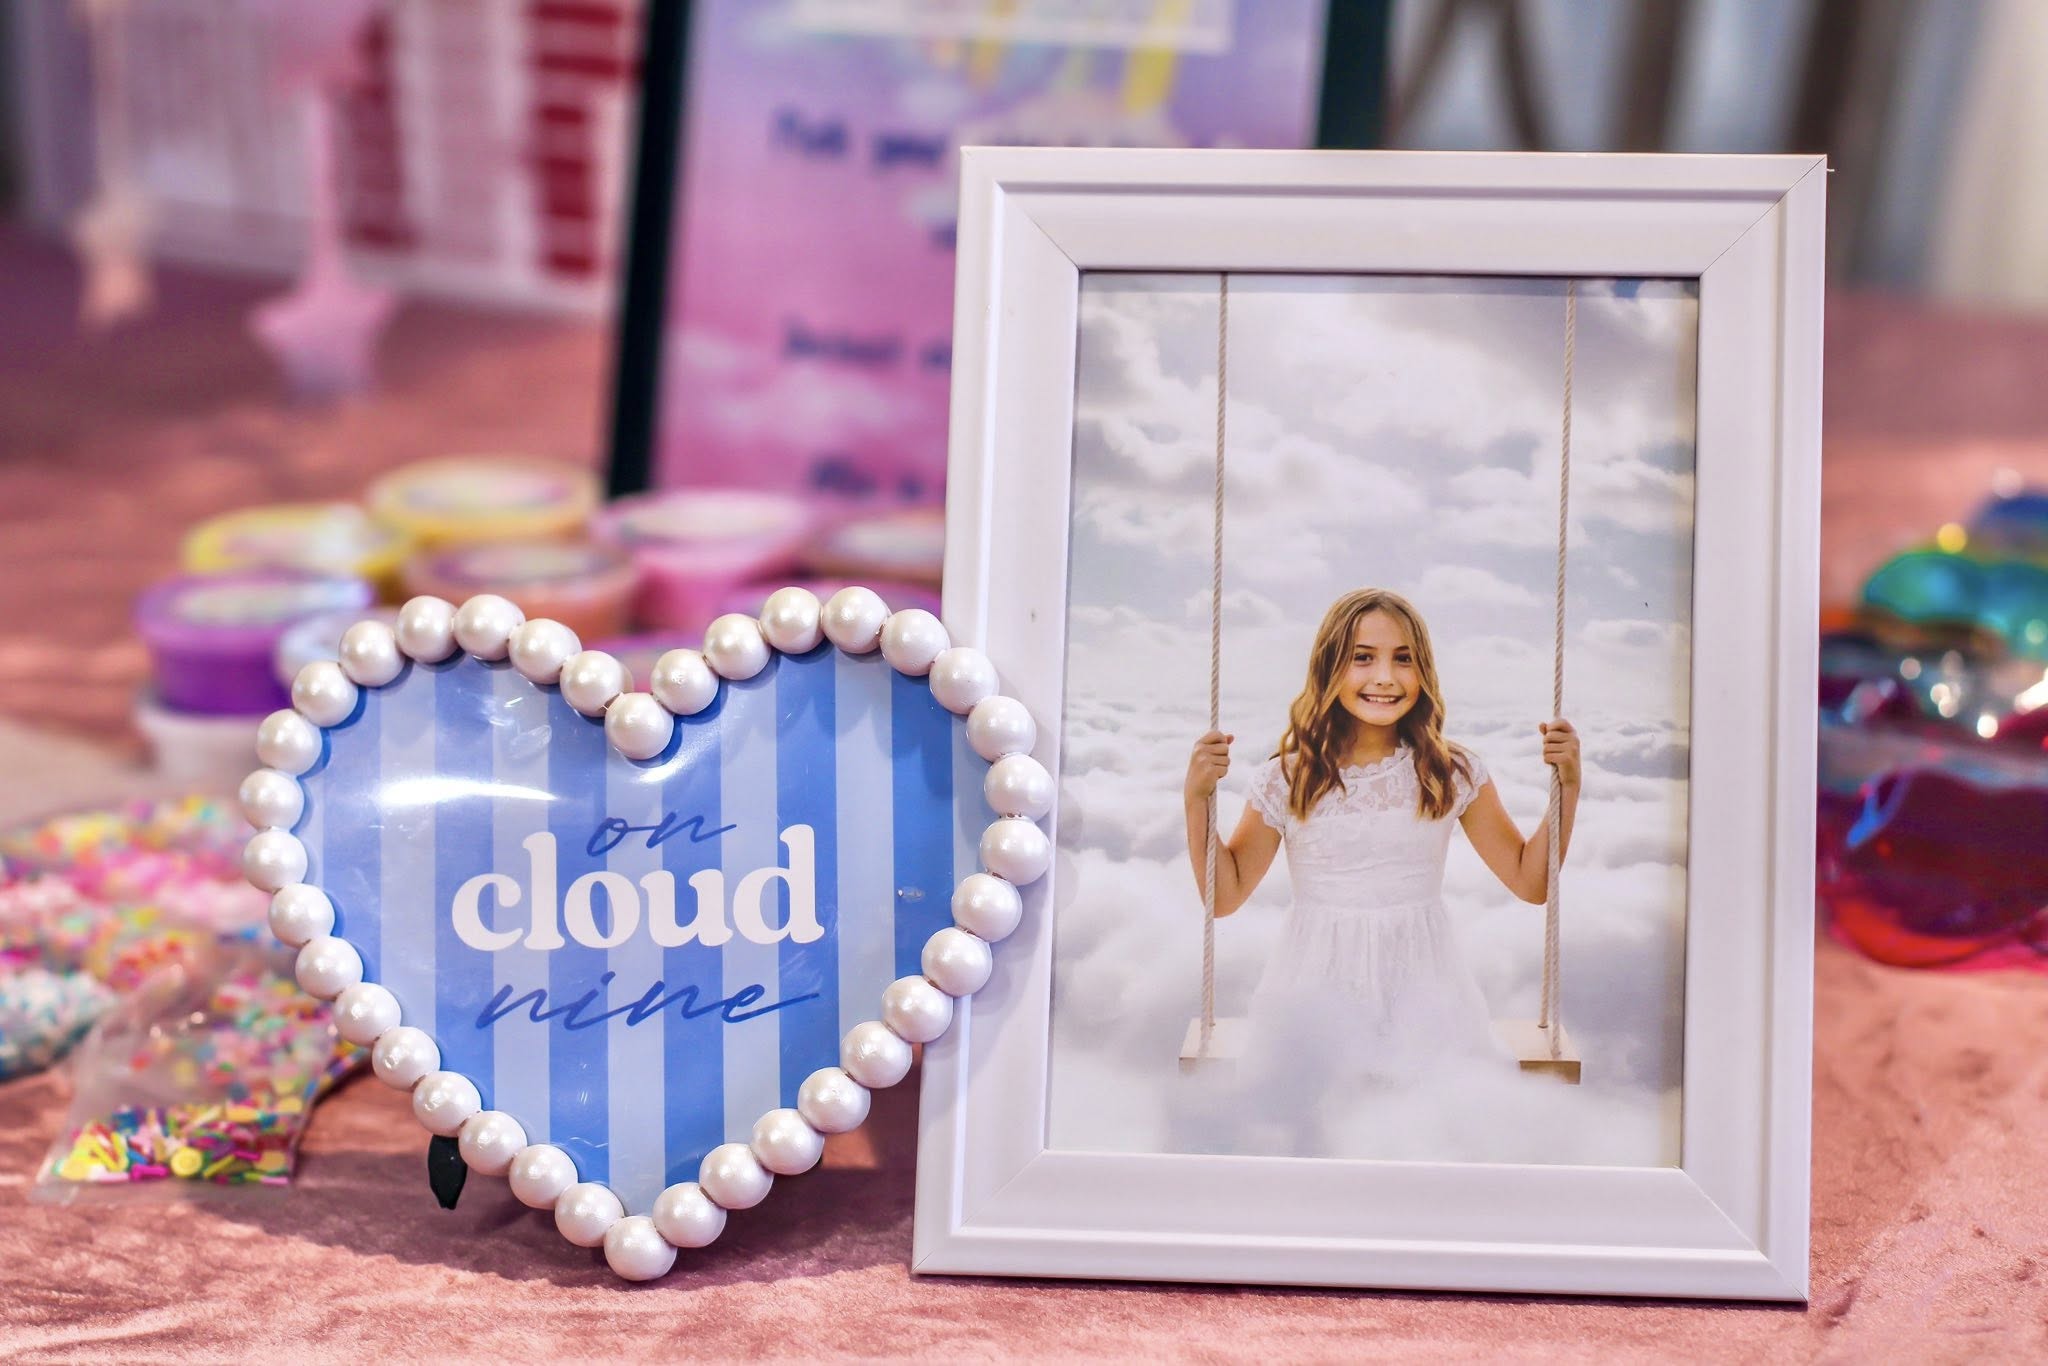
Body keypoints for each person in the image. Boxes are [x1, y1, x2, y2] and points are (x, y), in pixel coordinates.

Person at [1182, 587, 1581, 1086]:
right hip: (1313, 991)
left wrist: (1567, 785)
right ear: (1329, 667)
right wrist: (1197, 799)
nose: (1385, 678)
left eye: (1403, 659)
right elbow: (1224, 896)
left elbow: (1531, 881)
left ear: (1425, 672)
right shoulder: (1288, 779)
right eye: (1362, 658)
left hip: (1426, 992)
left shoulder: (1450, 772)